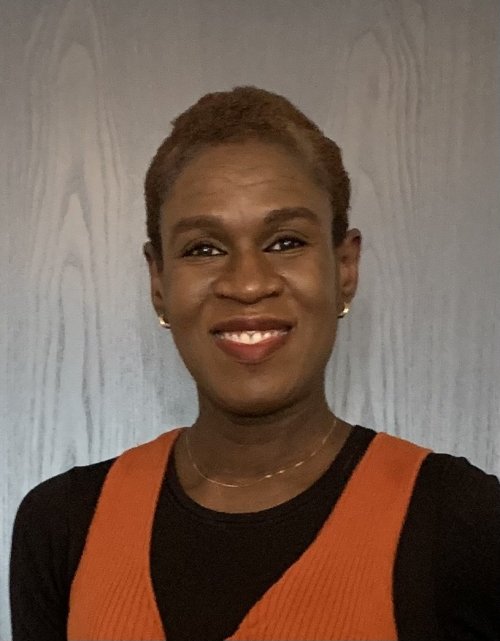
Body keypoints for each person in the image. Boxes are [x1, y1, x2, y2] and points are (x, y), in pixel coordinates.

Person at [10, 86, 500, 641]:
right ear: (158, 282)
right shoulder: (63, 525)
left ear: (345, 268)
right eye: (203, 248)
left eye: (285, 242)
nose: (247, 284)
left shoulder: (461, 523)